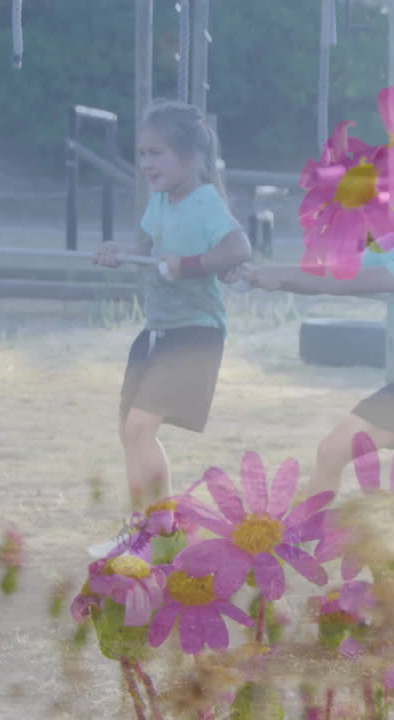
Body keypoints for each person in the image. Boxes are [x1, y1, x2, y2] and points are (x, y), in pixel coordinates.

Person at [229, 230, 394, 505]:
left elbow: (347, 283)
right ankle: (306, 528)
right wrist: (260, 276)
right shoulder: (390, 246)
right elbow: (335, 273)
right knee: (331, 452)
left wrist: (280, 275)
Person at [92, 99, 251, 511]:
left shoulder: (205, 202)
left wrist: (190, 265)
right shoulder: (161, 201)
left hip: (195, 332)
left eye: (156, 153)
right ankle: (145, 525)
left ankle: (160, 526)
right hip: (158, 330)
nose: (146, 163)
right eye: (142, 154)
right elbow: (147, 247)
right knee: (130, 431)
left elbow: (239, 248)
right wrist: (119, 252)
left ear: (190, 156)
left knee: (140, 426)